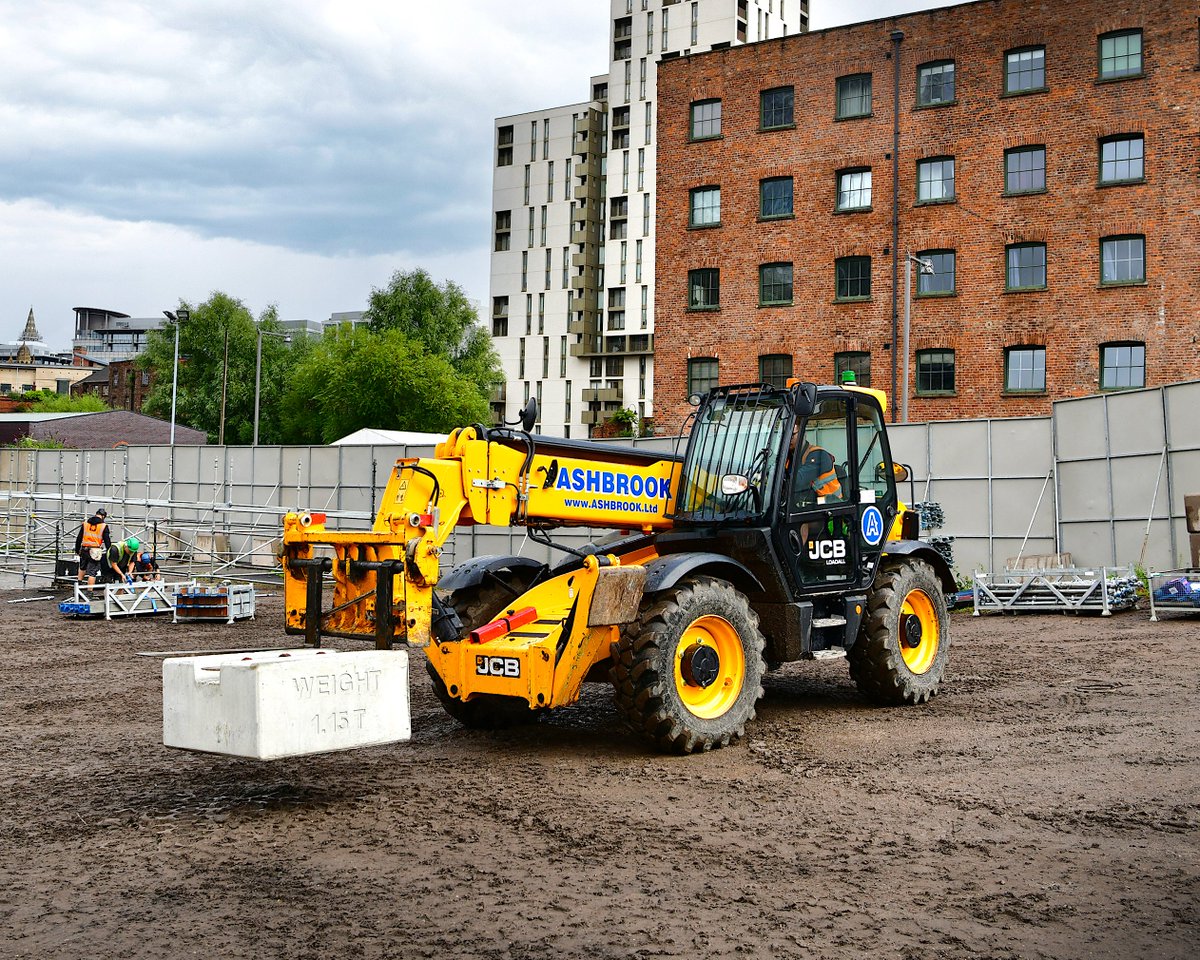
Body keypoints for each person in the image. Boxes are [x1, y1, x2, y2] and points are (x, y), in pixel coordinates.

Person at [74, 508, 110, 590]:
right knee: (92, 572)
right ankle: (89, 592)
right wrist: (109, 552)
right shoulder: (103, 526)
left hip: (84, 549)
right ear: (103, 516)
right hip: (95, 552)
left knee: (82, 568)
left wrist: (77, 550)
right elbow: (107, 541)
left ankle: (78, 589)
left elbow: (79, 538)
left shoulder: (85, 524)